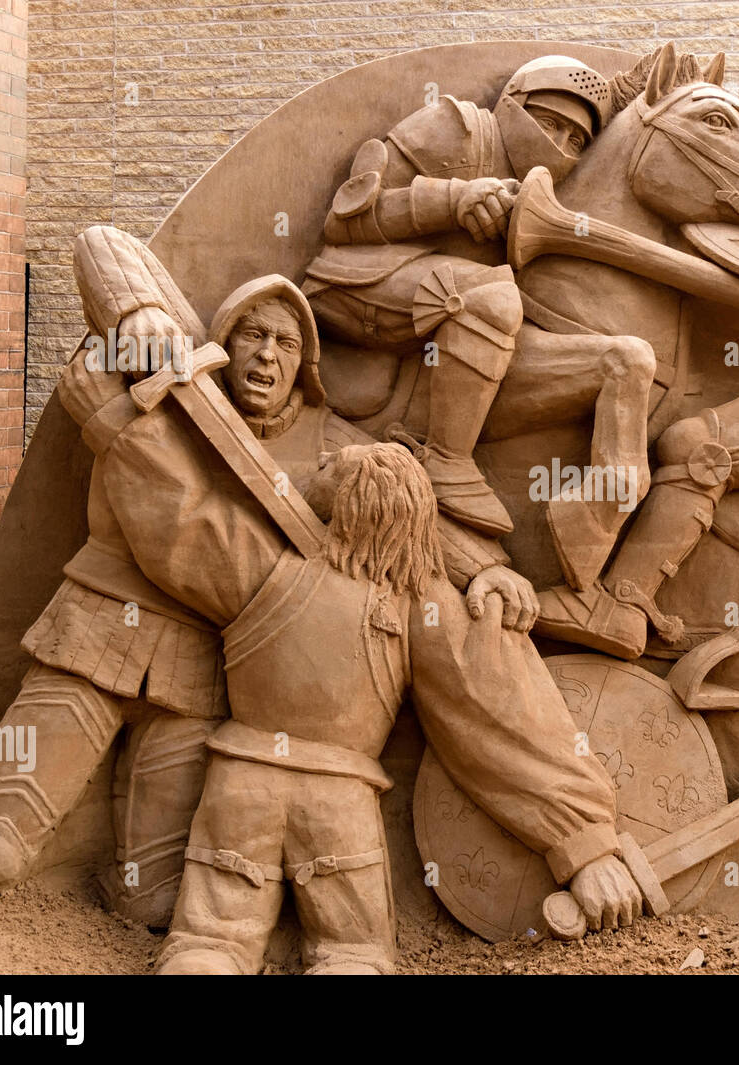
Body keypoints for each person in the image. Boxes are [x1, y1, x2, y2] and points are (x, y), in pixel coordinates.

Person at [72, 358, 640, 973]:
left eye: (328, 469)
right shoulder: (426, 608)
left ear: (352, 498)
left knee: (211, 941)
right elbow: (497, 711)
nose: (314, 469)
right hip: (342, 803)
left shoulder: (265, 571)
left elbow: (178, 523)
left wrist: (116, 424)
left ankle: (207, 955)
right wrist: (583, 843)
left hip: (241, 787)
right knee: (353, 953)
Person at [301, 55, 613, 537]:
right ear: (513, 104)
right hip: (355, 284)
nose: (560, 145)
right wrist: (453, 199)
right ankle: (447, 461)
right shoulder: (456, 128)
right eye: (550, 123)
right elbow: (344, 221)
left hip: (447, 315)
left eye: (576, 139)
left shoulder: (555, 190)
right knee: (490, 294)